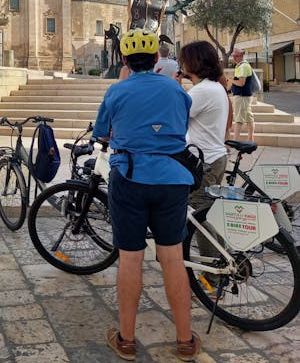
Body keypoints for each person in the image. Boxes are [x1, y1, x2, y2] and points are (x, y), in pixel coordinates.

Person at [94, 29, 201, 361]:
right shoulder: (177, 89)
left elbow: (101, 132)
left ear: (124, 60)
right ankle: (185, 340)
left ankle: (126, 339)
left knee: (131, 258)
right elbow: (179, 127)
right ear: (157, 59)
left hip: (130, 178)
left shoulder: (116, 91)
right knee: (172, 259)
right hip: (172, 180)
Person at [176, 41, 229, 263]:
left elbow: (175, 116)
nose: (181, 63)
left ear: (194, 62)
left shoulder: (202, 91)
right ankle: (223, 258)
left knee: (196, 215)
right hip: (216, 157)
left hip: (205, 161)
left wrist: (174, 88)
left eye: (184, 59)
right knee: (207, 213)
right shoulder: (213, 87)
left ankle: (214, 272)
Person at [227, 49, 255, 142]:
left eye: (236, 56)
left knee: (239, 118)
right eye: (233, 56)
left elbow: (241, 83)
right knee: (248, 117)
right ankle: (250, 139)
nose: (234, 58)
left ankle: (235, 140)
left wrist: (230, 80)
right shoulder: (242, 66)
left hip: (242, 96)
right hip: (245, 95)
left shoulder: (243, 67)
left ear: (241, 56)